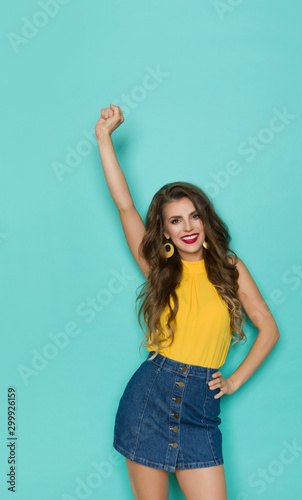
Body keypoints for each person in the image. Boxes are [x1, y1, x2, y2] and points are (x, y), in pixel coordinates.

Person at [95, 104, 280, 500]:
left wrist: (232, 381)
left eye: (193, 216)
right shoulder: (159, 270)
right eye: (175, 221)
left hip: (201, 408)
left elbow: (268, 328)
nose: (188, 227)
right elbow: (125, 206)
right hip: (151, 398)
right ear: (164, 231)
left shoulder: (230, 268)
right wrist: (104, 138)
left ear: (205, 220)